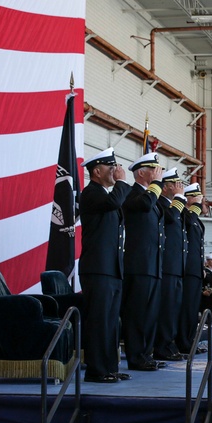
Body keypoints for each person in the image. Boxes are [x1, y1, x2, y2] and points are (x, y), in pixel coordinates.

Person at [78, 147, 131, 383]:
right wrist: (120, 183)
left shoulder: (106, 194)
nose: (116, 171)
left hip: (111, 269)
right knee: (99, 321)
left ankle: (110, 366)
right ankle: (96, 369)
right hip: (97, 268)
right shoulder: (91, 193)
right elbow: (113, 202)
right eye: (111, 168)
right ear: (97, 171)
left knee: (111, 322)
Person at [121, 152, 167, 372]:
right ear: (141, 173)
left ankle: (146, 354)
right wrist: (157, 185)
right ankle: (136, 356)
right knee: (138, 313)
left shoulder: (151, 197)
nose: (158, 173)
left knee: (150, 313)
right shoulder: (132, 195)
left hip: (152, 264)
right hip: (138, 265)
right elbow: (146, 204)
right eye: (153, 170)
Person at [153, 168, 187, 362]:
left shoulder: (174, 204)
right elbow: (171, 218)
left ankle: (170, 343)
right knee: (166, 309)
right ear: (165, 187)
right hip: (166, 265)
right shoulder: (161, 204)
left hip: (175, 266)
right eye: (175, 184)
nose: (179, 187)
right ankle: (162, 346)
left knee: (173, 308)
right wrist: (180, 200)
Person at [177, 183, 204, 355]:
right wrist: (195, 207)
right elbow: (189, 222)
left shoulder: (194, 217)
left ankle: (190, 340)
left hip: (195, 268)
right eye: (197, 198)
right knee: (186, 308)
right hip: (187, 268)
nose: (200, 202)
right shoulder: (184, 214)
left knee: (193, 308)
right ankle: (183, 342)